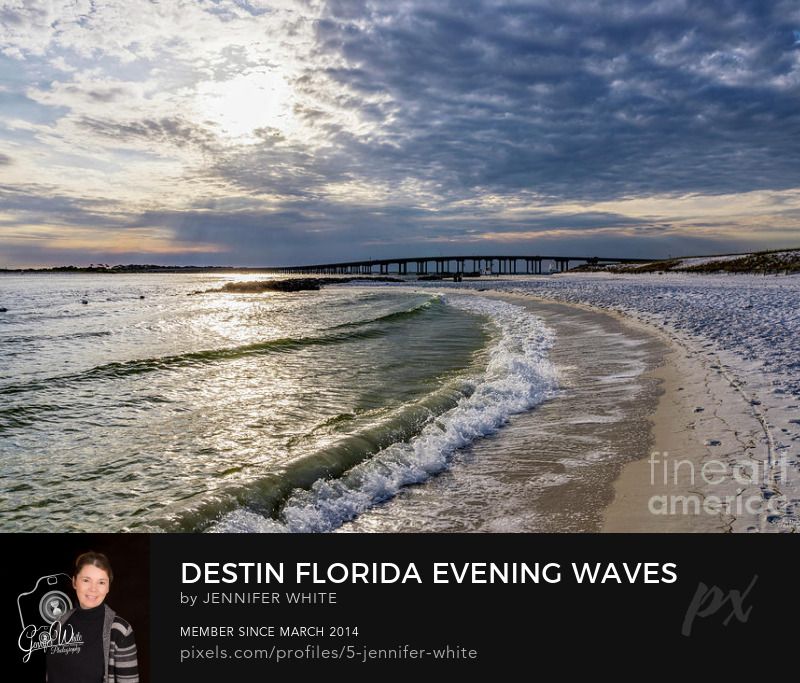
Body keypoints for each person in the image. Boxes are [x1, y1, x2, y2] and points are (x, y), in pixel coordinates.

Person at [46, 552, 139, 683]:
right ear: (74, 582)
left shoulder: (120, 630)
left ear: (108, 587)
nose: (93, 589)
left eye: (101, 582)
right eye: (86, 580)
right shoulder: (61, 622)